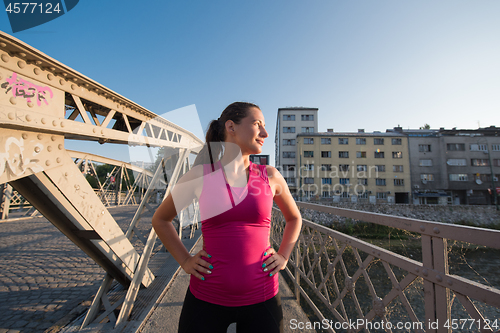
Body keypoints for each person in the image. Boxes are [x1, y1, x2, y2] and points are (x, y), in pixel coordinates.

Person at [152, 102, 302, 333]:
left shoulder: (270, 176)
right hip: (206, 296)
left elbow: (294, 218)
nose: (265, 133)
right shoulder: (200, 175)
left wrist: (283, 255)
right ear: (231, 126)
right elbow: (161, 219)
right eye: (257, 124)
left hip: (262, 297)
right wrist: (185, 260)